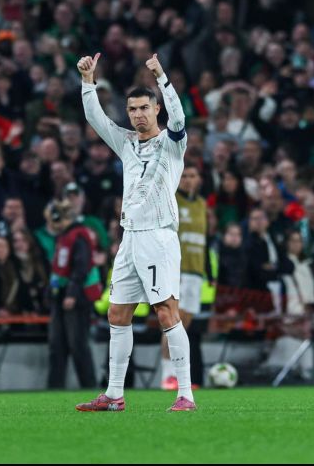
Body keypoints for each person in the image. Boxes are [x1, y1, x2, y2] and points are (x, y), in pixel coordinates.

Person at [75, 52, 195, 412]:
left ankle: (185, 394)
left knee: (165, 311)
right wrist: (87, 82)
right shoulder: (126, 142)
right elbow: (96, 119)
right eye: (132, 109)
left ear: (156, 109)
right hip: (130, 236)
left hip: (158, 236)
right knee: (117, 314)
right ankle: (114, 395)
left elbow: (180, 117)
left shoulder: (173, 144)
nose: (138, 115)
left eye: (144, 108)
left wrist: (162, 76)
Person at [161, 162, 209, 390]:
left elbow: (203, 241)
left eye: (193, 175)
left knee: (184, 325)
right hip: (176, 270)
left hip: (195, 272)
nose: (189, 180)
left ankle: (177, 376)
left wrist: (207, 270)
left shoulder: (202, 204)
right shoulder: (172, 200)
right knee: (172, 322)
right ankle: (166, 376)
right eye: (185, 175)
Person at [47, 199, 101, 389]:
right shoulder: (66, 236)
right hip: (62, 294)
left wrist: (72, 293)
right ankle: (54, 387)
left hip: (76, 297)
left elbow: (82, 266)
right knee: (57, 345)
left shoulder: (79, 236)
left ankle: (89, 386)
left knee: (78, 345)